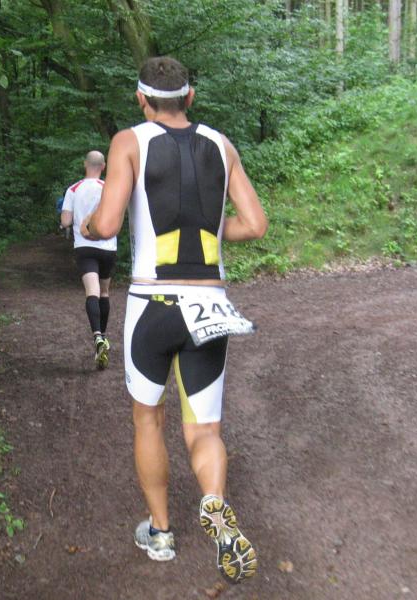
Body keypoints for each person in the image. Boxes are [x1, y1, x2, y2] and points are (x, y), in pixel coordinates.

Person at [80, 56, 268, 583]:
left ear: (141, 99)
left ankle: (161, 533)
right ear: (190, 97)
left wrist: (90, 226)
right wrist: (206, 229)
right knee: (204, 428)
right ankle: (214, 501)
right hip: (210, 304)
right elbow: (255, 225)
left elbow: (108, 223)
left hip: (152, 303)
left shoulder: (128, 141)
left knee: (149, 420)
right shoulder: (222, 145)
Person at [60, 150, 117, 369]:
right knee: (104, 292)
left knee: (91, 292)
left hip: (84, 248)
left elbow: (66, 221)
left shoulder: (73, 189)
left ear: (85, 164)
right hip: (107, 247)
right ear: (103, 166)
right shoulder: (109, 188)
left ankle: (97, 337)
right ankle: (104, 336)